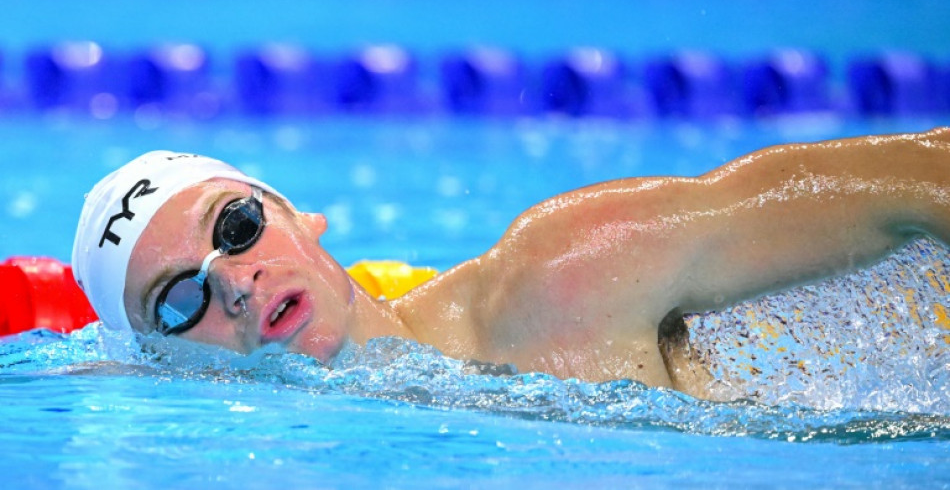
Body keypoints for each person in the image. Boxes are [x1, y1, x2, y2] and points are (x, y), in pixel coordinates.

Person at [72, 127, 950, 399]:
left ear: (300, 215)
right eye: (178, 301)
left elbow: (909, 181)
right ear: (159, 360)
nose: (231, 279)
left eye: (235, 226)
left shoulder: (563, 274)